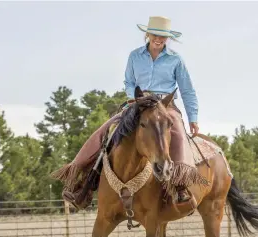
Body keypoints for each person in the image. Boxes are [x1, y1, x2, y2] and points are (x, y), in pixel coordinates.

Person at [51, 16, 201, 209]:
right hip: (138, 103)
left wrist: (193, 118)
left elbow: (187, 90)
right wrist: (134, 99)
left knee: (178, 134)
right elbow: (129, 82)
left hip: (165, 105)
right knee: (107, 130)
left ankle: (180, 187)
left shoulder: (176, 60)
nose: (159, 39)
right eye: (156, 35)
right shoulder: (134, 56)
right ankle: (83, 182)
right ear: (148, 34)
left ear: (168, 38)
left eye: (163, 37)